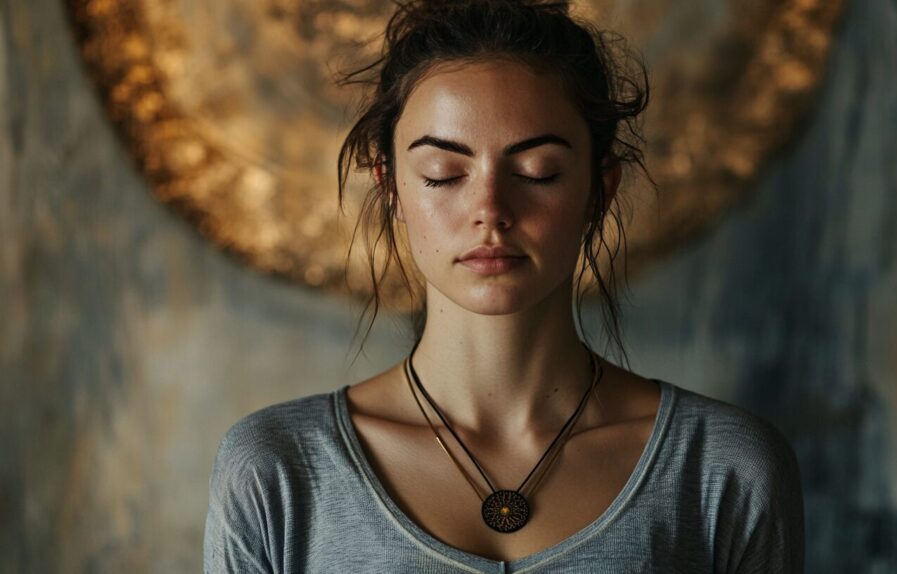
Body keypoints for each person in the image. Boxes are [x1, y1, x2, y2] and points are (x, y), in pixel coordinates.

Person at [203, 1, 805, 572]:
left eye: (536, 172)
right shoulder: (275, 469)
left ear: (600, 189)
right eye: (444, 174)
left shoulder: (724, 467)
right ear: (392, 188)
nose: (489, 209)